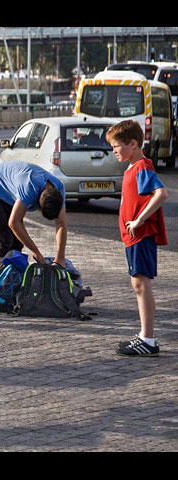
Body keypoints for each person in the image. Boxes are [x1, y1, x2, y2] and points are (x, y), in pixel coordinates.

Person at [106, 120, 168, 356]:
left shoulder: (142, 167)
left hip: (141, 236)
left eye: (116, 147)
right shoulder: (133, 167)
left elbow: (161, 193)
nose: (114, 152)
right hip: (133, 237)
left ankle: (148, 339)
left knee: (141, 284)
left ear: (132, 144)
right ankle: (145, 335)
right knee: (138, 284)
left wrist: (140, 220)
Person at [0, 161, 67, 271]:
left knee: (16, 243)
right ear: (38, 202)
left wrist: (60, 257)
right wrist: (35, 251)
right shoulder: (30, 187)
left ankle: (14, 280)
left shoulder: (59, 188)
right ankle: (2, 284)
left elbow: (61, 223)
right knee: (2, 243)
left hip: (9, 191)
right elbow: (14, 223)